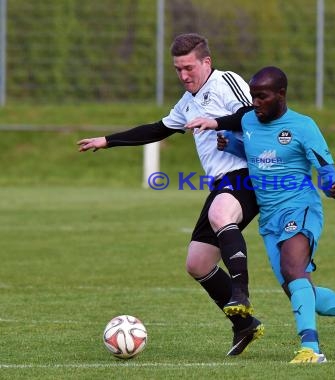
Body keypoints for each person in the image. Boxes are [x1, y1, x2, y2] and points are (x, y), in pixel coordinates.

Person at [76, 33, 264, 356]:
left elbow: (253, 117)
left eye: (189, 67)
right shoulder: (188, 102)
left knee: (221, 215)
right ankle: (244, 324)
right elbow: (158, 128)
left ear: (206, 62)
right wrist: (108, 140)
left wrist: (216, 122)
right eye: (178, 69)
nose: (183, 75)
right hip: (221, 184)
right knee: (197, 263)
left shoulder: (226, 82)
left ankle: (241, 294)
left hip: (249, 175)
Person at [187, 66, 335, 363]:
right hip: (269, 219)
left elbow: (324, 164)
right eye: (253, 96)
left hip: (300, 207)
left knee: (294, 271)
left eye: (262, 96)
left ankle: (311, 348)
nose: (256, 102)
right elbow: (257, 154)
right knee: (300, 290)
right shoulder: (249, 121)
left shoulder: (303, 126)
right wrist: (232, 145)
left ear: (281, 94)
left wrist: (331, 184)